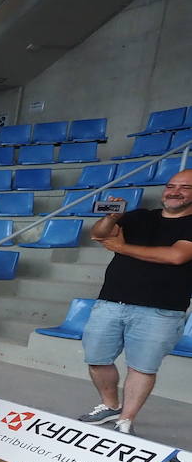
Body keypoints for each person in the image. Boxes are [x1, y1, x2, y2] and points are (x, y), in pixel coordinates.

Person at [76, 170, 192, 435]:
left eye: (185, 187)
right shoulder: (140, 216)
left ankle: (125, 420)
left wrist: (122, 247)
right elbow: (99, 234)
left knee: (141, 367)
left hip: (162, 310)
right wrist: (111, 218)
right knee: (96, 359)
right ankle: (110, 405)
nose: (175, 191)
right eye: (171, 185)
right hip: (111, 302)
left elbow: (176, 256)